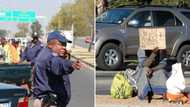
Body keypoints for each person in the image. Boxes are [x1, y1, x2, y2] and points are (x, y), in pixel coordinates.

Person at [33, 31, 81, 107]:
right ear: (51, 45)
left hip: (44, 100)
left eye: (64, 44)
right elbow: (57, 64)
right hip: (50, 103)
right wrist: (70, 64)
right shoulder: (50, 57)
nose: (64, 47)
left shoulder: (45, 53)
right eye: (60, 44)